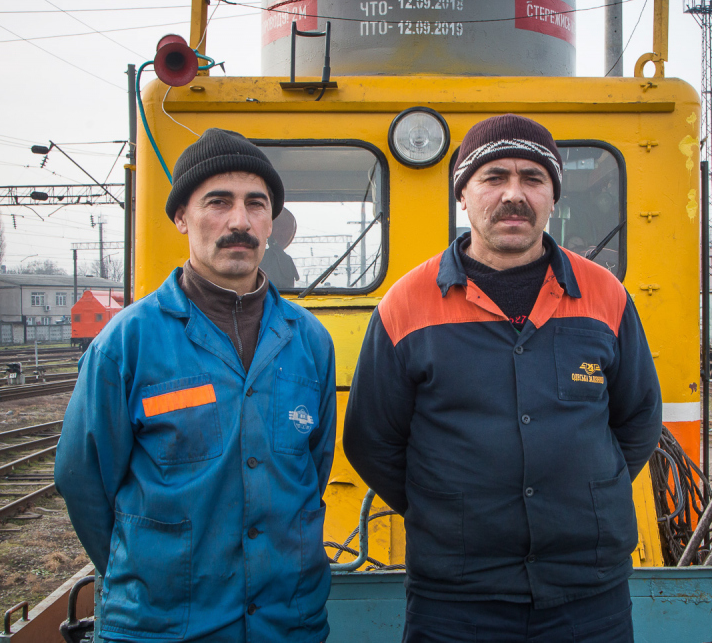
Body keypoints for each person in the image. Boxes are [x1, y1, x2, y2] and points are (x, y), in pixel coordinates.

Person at [343, 115, 662, 642]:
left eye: (533, 178)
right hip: (455, 602)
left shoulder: (606, 295)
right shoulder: (406, 304)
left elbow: (639, 418)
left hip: (588, 594)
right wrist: (441, 507)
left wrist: (589, 493)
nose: (514, 194)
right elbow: (371, 439)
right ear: (463, 195)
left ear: (552, 197)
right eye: (494, 177)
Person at [55, 128, 336, 643]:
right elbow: (82, 479)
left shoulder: (309, 341)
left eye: (256, 204)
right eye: (218, 202)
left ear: (270, 223)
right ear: (181, 217)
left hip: (287, 623)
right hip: (163, 627)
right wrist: (147, 572)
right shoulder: (128, 342)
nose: (239, 221)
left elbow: (313, 470)